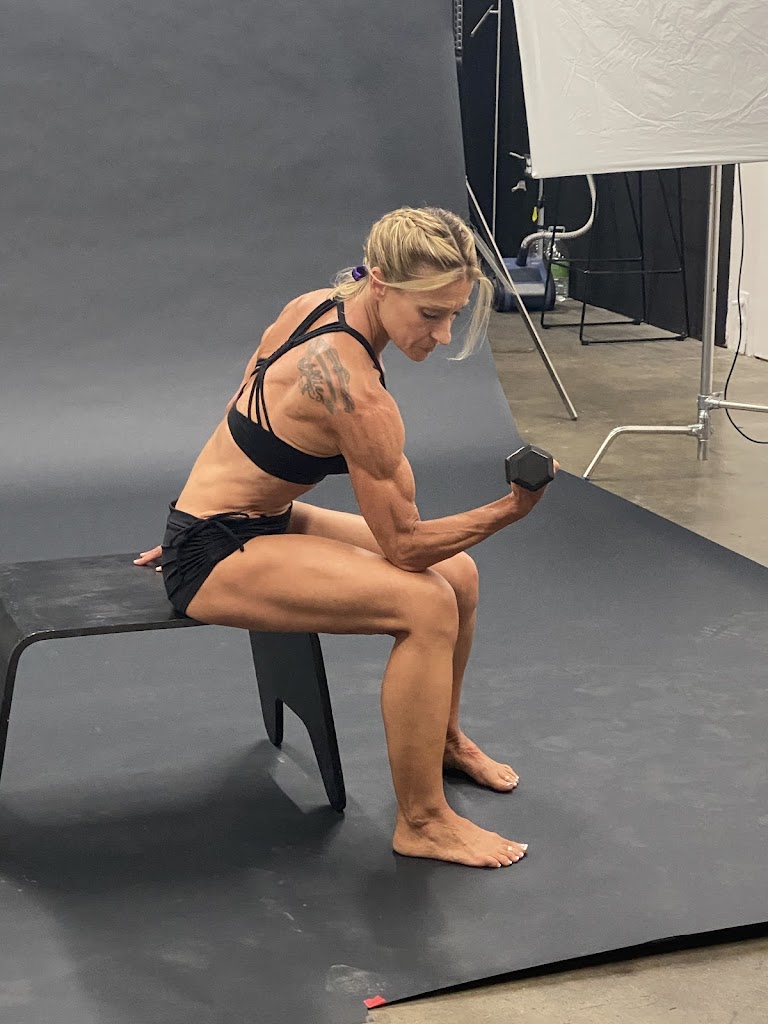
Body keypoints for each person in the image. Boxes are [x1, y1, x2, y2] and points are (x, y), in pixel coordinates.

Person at [135, 206, 556, 868]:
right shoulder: (354, 392)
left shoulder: (312, 306)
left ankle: (444, 739)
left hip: (241, 521)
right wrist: (512, 508)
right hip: (214, 551)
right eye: (430, 314)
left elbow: (239, 416)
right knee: (426, 602)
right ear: (381, 283)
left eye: (453, 314)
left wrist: (193, 508)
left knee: (461, 576)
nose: (444, 335)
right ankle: (423, 821)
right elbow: (406, 547)